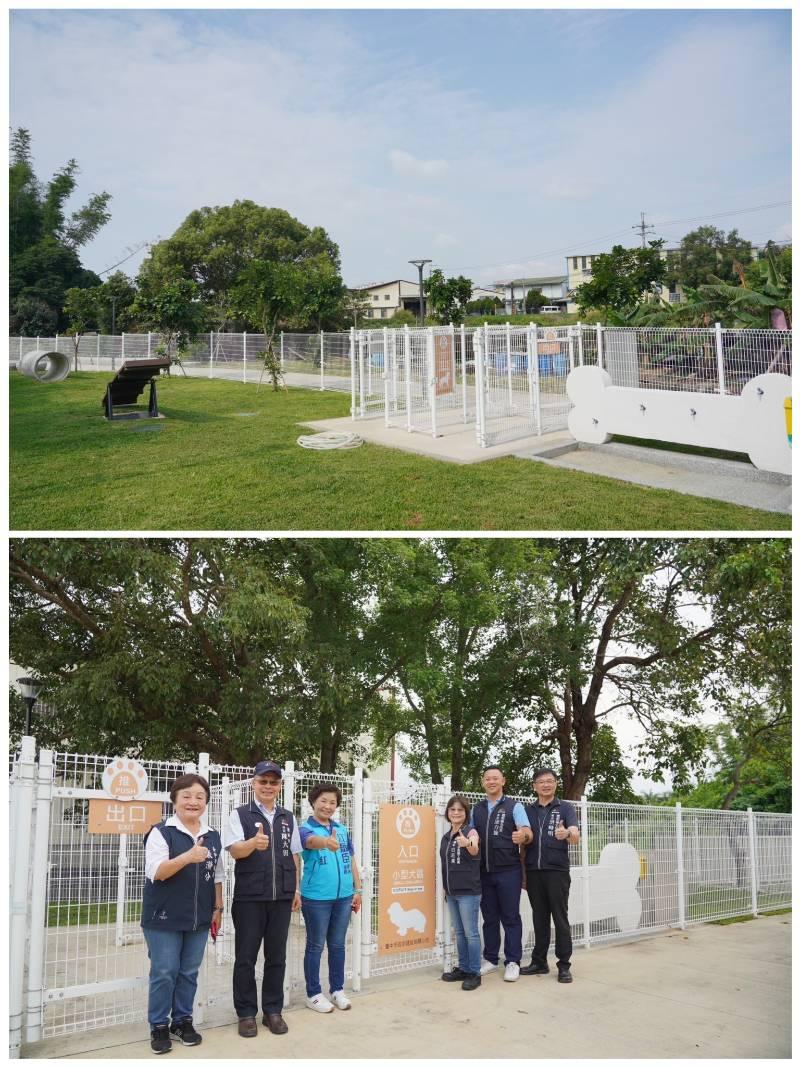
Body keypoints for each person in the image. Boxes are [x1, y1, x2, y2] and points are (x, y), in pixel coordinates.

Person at [141, 773, 223, 1055]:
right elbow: (156, 872)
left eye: (200, 797)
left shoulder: (212, 835)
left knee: (189, 972)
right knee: (165, 972)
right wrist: (188, 856)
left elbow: (217, 874)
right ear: (174, 799)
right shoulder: (161, 832)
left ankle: (182, 1020)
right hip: (163, 917)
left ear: (206, 802)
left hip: (199, 917)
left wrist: (218, 907)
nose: (193, 801)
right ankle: (159, 1025)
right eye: (186, 795)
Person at [224, 760, 303, 1037]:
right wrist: (251, 844)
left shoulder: (288, 817)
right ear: (253, 784)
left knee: (277, 956)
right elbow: (234, 851)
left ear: (279, 786)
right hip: (249, 898)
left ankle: (272, 1011)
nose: (268, 786)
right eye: (263, 781)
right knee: (245, 957)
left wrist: (295, 890)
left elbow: (294, 856)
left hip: (281, 897)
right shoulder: (239, 815)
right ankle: (246, 1013)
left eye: (273, 782)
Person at [298, 783, 362, 1012]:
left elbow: (351, 859)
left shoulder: (342, 830)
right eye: (323, 801)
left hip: (344, 896)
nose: (327, 806)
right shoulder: (304, 828)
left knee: (337, 945)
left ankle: (337, 990)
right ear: (313, 802)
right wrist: (325, 842)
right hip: (316, 898)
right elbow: (309, 843)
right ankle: (313, 993)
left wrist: (358, 889)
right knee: (315, 946)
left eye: (332, 802)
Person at [471, 766, 532, 982]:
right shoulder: (476, 809)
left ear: (503, 781)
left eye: (495, 778)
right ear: (483, 782)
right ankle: (490, 958)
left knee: (510, 917)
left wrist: (522, 836)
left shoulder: (514, 806)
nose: (491, 781)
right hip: (484, 872)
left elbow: (527, 832)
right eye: (487, 778)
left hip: (509, 871)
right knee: (489, 918)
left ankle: (513, 961)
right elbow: (471, 832)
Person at [520, 766, 580, 983]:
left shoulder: (565, 808)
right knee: (539, 918)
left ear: (555, 784)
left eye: (549, 781)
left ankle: (564, 965)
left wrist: (567, 834)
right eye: (541, 782)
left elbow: (575, 835)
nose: (545, 785)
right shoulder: (527, 810)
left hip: (557, 872)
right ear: (534, 786)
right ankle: (539, 962)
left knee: (560, 918)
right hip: (534, 872)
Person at [439, 794, 482, 991]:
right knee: (460, 933)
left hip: (468, 893)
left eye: (460, 810)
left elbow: (474, 847)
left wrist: (468, 844)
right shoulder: (446, 836)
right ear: (448, 813)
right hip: (452, 893)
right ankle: (463, 968)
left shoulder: (470, 831)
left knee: (471, 933)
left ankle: (474, 972)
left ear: (466, 813)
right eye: (452, 810)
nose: (456, 813)